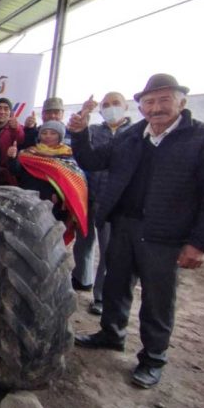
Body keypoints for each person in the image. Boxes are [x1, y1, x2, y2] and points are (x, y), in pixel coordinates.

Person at [70, 74, 204, 388]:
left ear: (181, 102)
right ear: (141, 106)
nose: (156, 108)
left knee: (158, 299)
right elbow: (93, 159)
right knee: (116, 285)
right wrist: (78, 135)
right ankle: (111, 334)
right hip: (124, 225)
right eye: (149, 101)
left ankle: (153, 358)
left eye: (164, 100)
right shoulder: (131, 136)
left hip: (166, 235)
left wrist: (200, 243)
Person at [70, 92, 134, 315]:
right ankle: (81, 279)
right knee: (84, 242)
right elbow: (79, 146)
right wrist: (82, 115)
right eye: (106, 105)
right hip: (89, 196)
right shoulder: (95, 131)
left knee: (108, 251)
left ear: (126, 107)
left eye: (116, 103)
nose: (111, 108)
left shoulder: (134, 135)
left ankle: (100, 297)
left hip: (114, 203)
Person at [7, 119, 88, 244]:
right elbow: (16, 172)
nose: (48, 136)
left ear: (60, 135)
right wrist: (12, 159)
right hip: (28, 202)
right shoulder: (28, 152)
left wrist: (60, 197)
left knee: (50, 243)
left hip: (55, 207)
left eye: (53, 133)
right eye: (44, 133)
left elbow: (74, 184)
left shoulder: (68, 156)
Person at [0, 97, 25, 185]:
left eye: (6, 109)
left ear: (11, 114)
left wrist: (16, 128)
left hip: (7, 179)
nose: (2, 112)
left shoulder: (16, 129)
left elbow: (21, 139)